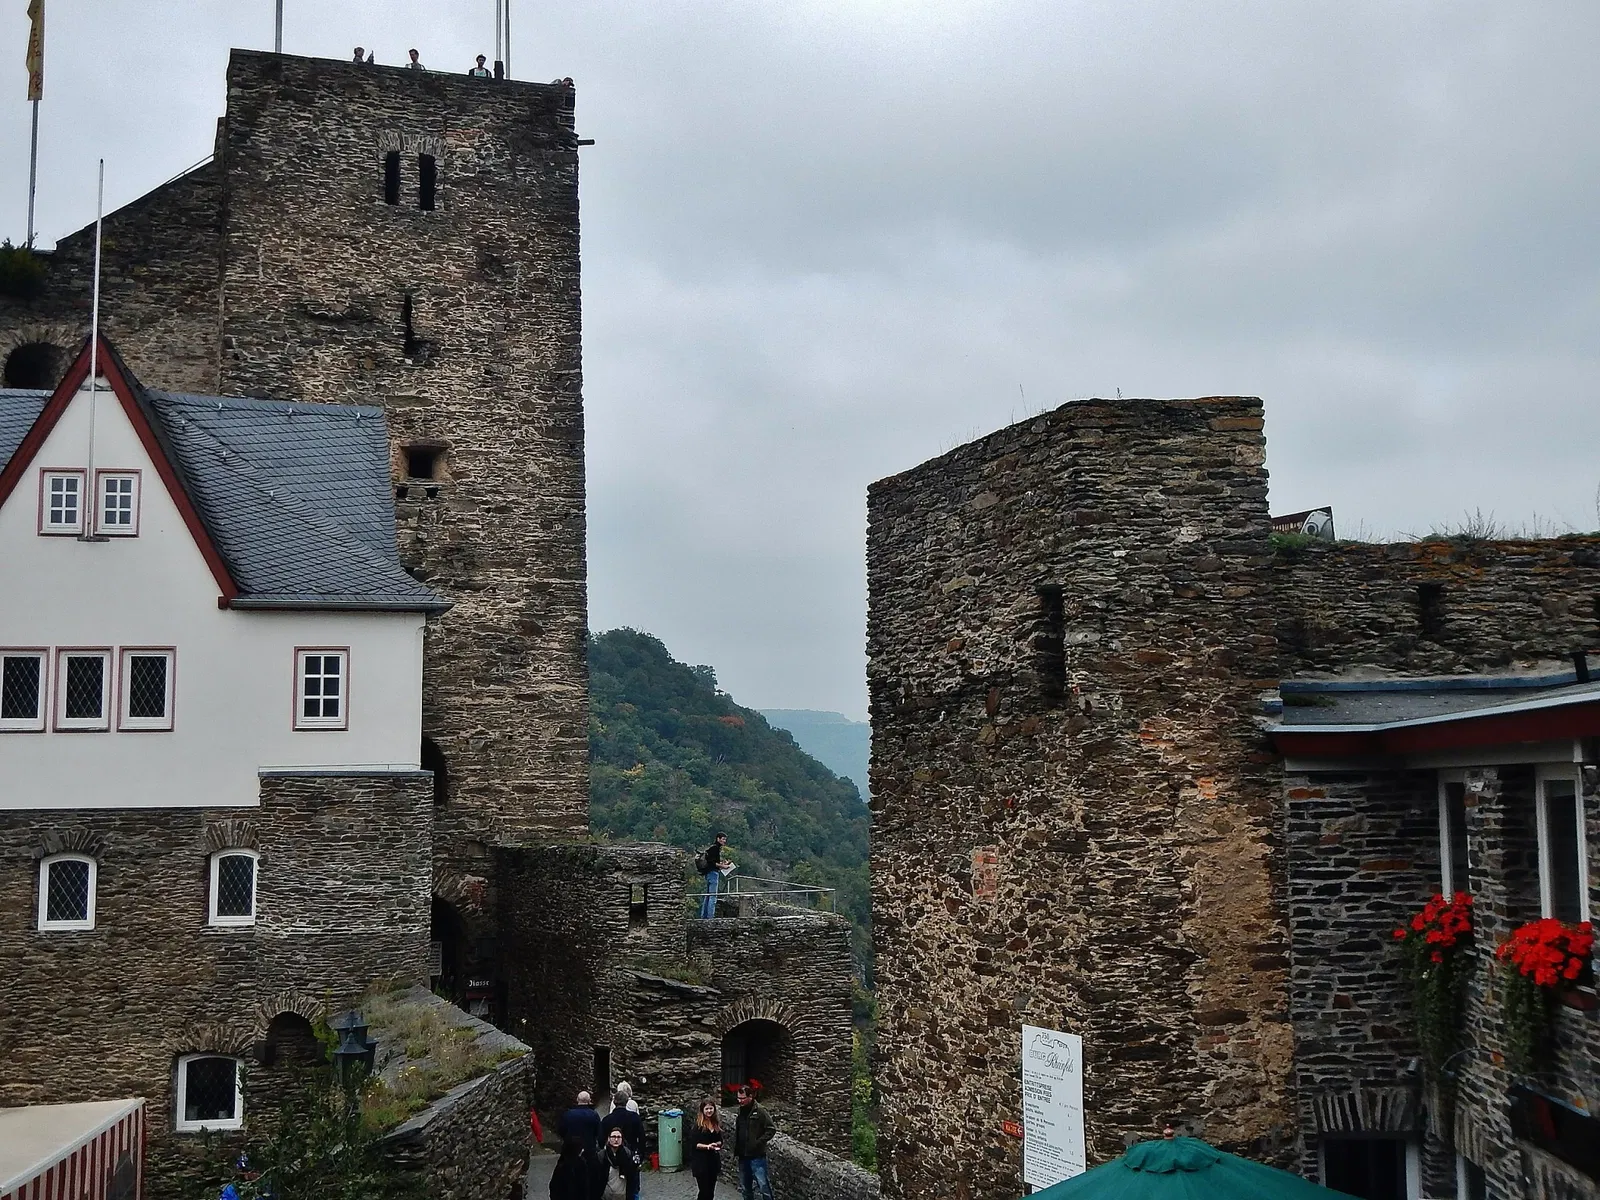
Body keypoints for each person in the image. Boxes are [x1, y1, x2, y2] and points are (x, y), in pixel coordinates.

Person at [598, 1090, 645, 1200]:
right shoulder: (634, 1118)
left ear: (614, 1102)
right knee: (633, 1187)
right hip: (631, 1157)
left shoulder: (607, 1120)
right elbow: (642, 1139)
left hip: (611, 1159)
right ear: (627, 1102)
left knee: (611, 1186)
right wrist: (640, 1157)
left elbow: (600, 1141)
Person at [733, 1084, 775, 1200]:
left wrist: (758, 1142)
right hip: (742, 1155)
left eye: (742, 1098)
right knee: (745, 1187)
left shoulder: (760, 1111)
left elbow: (771, 1129)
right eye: (738, 1098)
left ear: (750, 1096)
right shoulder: (740, 1111)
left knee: (763, 1186)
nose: (740, 1100)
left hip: (756, 1155)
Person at [688, 1097, 723, 1200]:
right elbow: (694, 1144)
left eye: (711, 1108)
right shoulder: (698, 1126)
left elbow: (720, 1140)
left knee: (711, 1191)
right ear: (703, 1110)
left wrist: (717, 1144)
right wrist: (707, 1146)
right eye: (707, 1109)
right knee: (704, 1191)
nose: (709, 1111)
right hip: (701, 1162)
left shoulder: (715, 1124)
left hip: (712, 1161)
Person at [596, 1127, 639, 1200]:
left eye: (618, 1137)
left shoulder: (627, 1154)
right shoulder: (602, 1156)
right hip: (605, 1195)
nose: (616, 1140)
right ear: (609, 1139)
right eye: (613, 1137)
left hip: (623, 1195)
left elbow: (633, 1177)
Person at [698, 833, 732, 919]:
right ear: (718, 839)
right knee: (713, 896)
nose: (724, 841)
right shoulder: (715, 849)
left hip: (708, 873)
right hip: (713, 874)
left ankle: (704, 916)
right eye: (723, 839)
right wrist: (723, 866)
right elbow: (713, 863)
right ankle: (710, 917)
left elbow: (712, 862)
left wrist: (721, 864)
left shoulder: (712, 848)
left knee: (708, 895)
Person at [559, 1090, 600, 1154]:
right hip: (589, 1149)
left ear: (577, 1099)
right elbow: (598, 1132)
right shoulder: (594, 1115)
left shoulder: (568, 1114)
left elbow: (561, 1131)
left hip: (570, 1149)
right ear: (589, 1101)